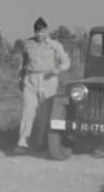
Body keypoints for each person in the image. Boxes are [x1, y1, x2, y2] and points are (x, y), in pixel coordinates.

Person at [14, 17, 71, 155]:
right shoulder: (28, 44)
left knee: (44, 114)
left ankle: (41, 142)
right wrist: (21, 78)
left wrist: (57, 70)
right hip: (31, 79)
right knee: (28, 111)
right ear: (34, 32)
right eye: (38, 32)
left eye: (43, 31)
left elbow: (66, 62)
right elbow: (23, 63)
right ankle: (22, 143)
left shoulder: (55, 45)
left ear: (47, 31)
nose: (40, 34)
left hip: (48, 79)